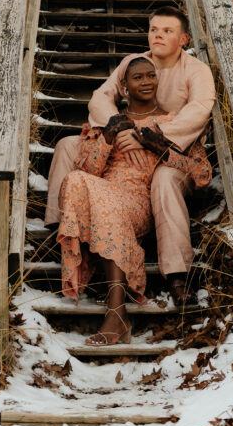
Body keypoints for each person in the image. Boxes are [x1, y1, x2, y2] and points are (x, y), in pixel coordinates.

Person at [46, 7, 216, 305]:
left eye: (167, 31)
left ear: (184, 39)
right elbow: (102, 96)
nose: (158, 35)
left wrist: (154, 137)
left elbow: (199, 111)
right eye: (154, 30)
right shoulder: (133, 63)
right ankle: (62, 230)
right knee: (67, 146)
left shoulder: (196, 70)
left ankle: (176, 273)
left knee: (164, 179)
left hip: (172, 150)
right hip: (128, 138)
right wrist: (120, 126)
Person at [58, 55, 211, 345]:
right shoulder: (111, 121)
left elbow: (201, 173)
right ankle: (117, 314)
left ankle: (116, 314)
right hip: (104, 196)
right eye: (138, 77)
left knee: (101, 201)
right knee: (77, 180)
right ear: (124, 88)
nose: (146, 82)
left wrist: (159, 146)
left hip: (140, 201)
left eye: (151, 76)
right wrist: (106, 139)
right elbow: (86, 171)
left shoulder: (172, 122)